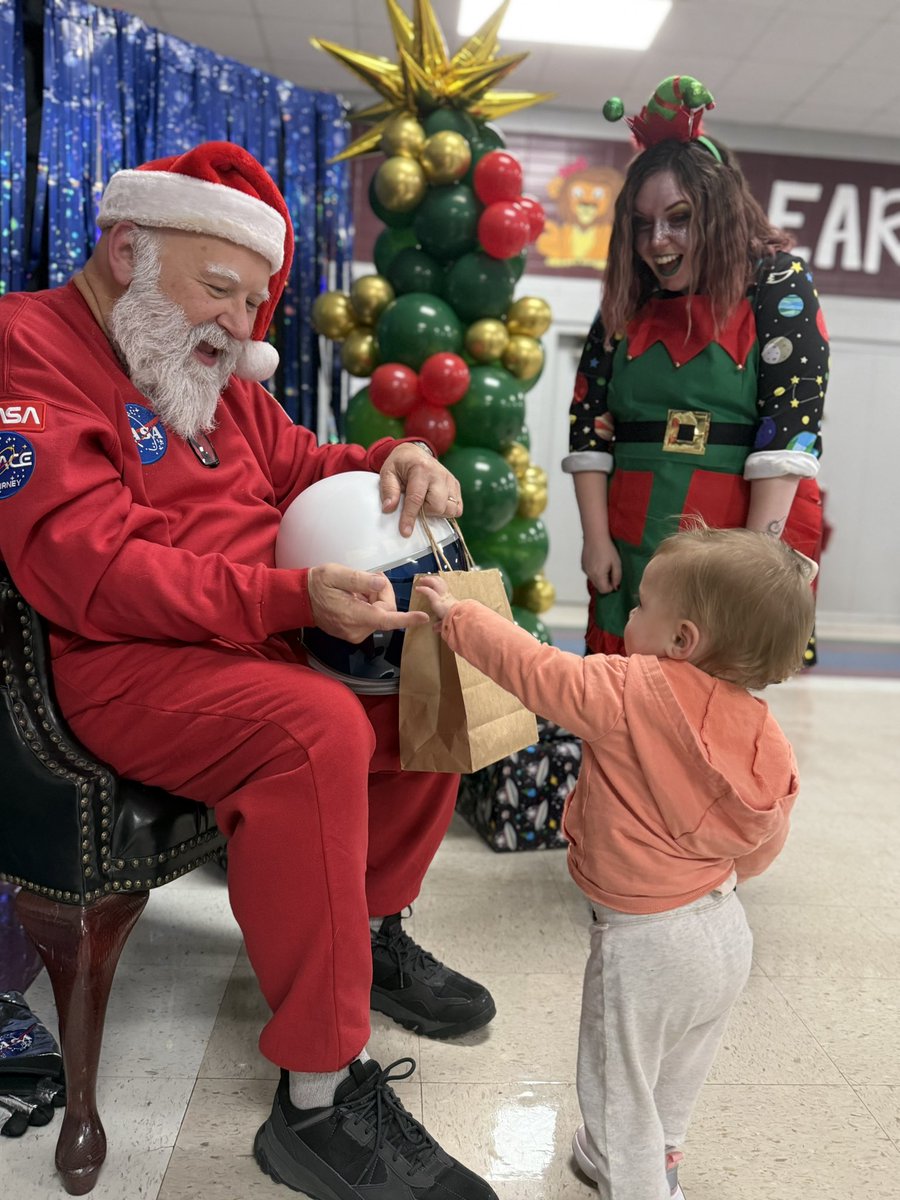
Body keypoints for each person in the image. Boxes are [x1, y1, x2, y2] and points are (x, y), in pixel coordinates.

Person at [0, 141, 498, 1200]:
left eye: (253, 300)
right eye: (216, 289)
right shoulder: (27, 348)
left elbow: (300, 463)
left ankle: (367, 931)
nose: (237, 323)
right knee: (314, 725)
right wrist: (285, 600)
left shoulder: (207, 367)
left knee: (434, 661)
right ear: (127, 247)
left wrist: (389, 458)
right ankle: (318, 1099)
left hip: (242, 638)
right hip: (120, 663)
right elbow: (87, 570)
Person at [415, 525, 816, 1199]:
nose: (630, 615)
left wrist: (458, 616)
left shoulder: (629, 690)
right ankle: (652, 1161)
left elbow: (535, 671)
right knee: (675, 1071)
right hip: (723, 932)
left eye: (642, 604)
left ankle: (634, 1183)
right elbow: (766, 839)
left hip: (645, 944)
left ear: (681, 639)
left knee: (618, 1087)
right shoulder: (763, 731)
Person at [564, 75, 826, 656]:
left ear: (720, 211)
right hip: (628, 527)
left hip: (727, 531)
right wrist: (595, 538)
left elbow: (788, 434)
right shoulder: (625, 300)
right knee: (615, 687)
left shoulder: (777, 282)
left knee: (705, 692)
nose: (657, 240)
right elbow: (589, 427)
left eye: (679, 217)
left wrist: (754, 565)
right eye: (641, 222)